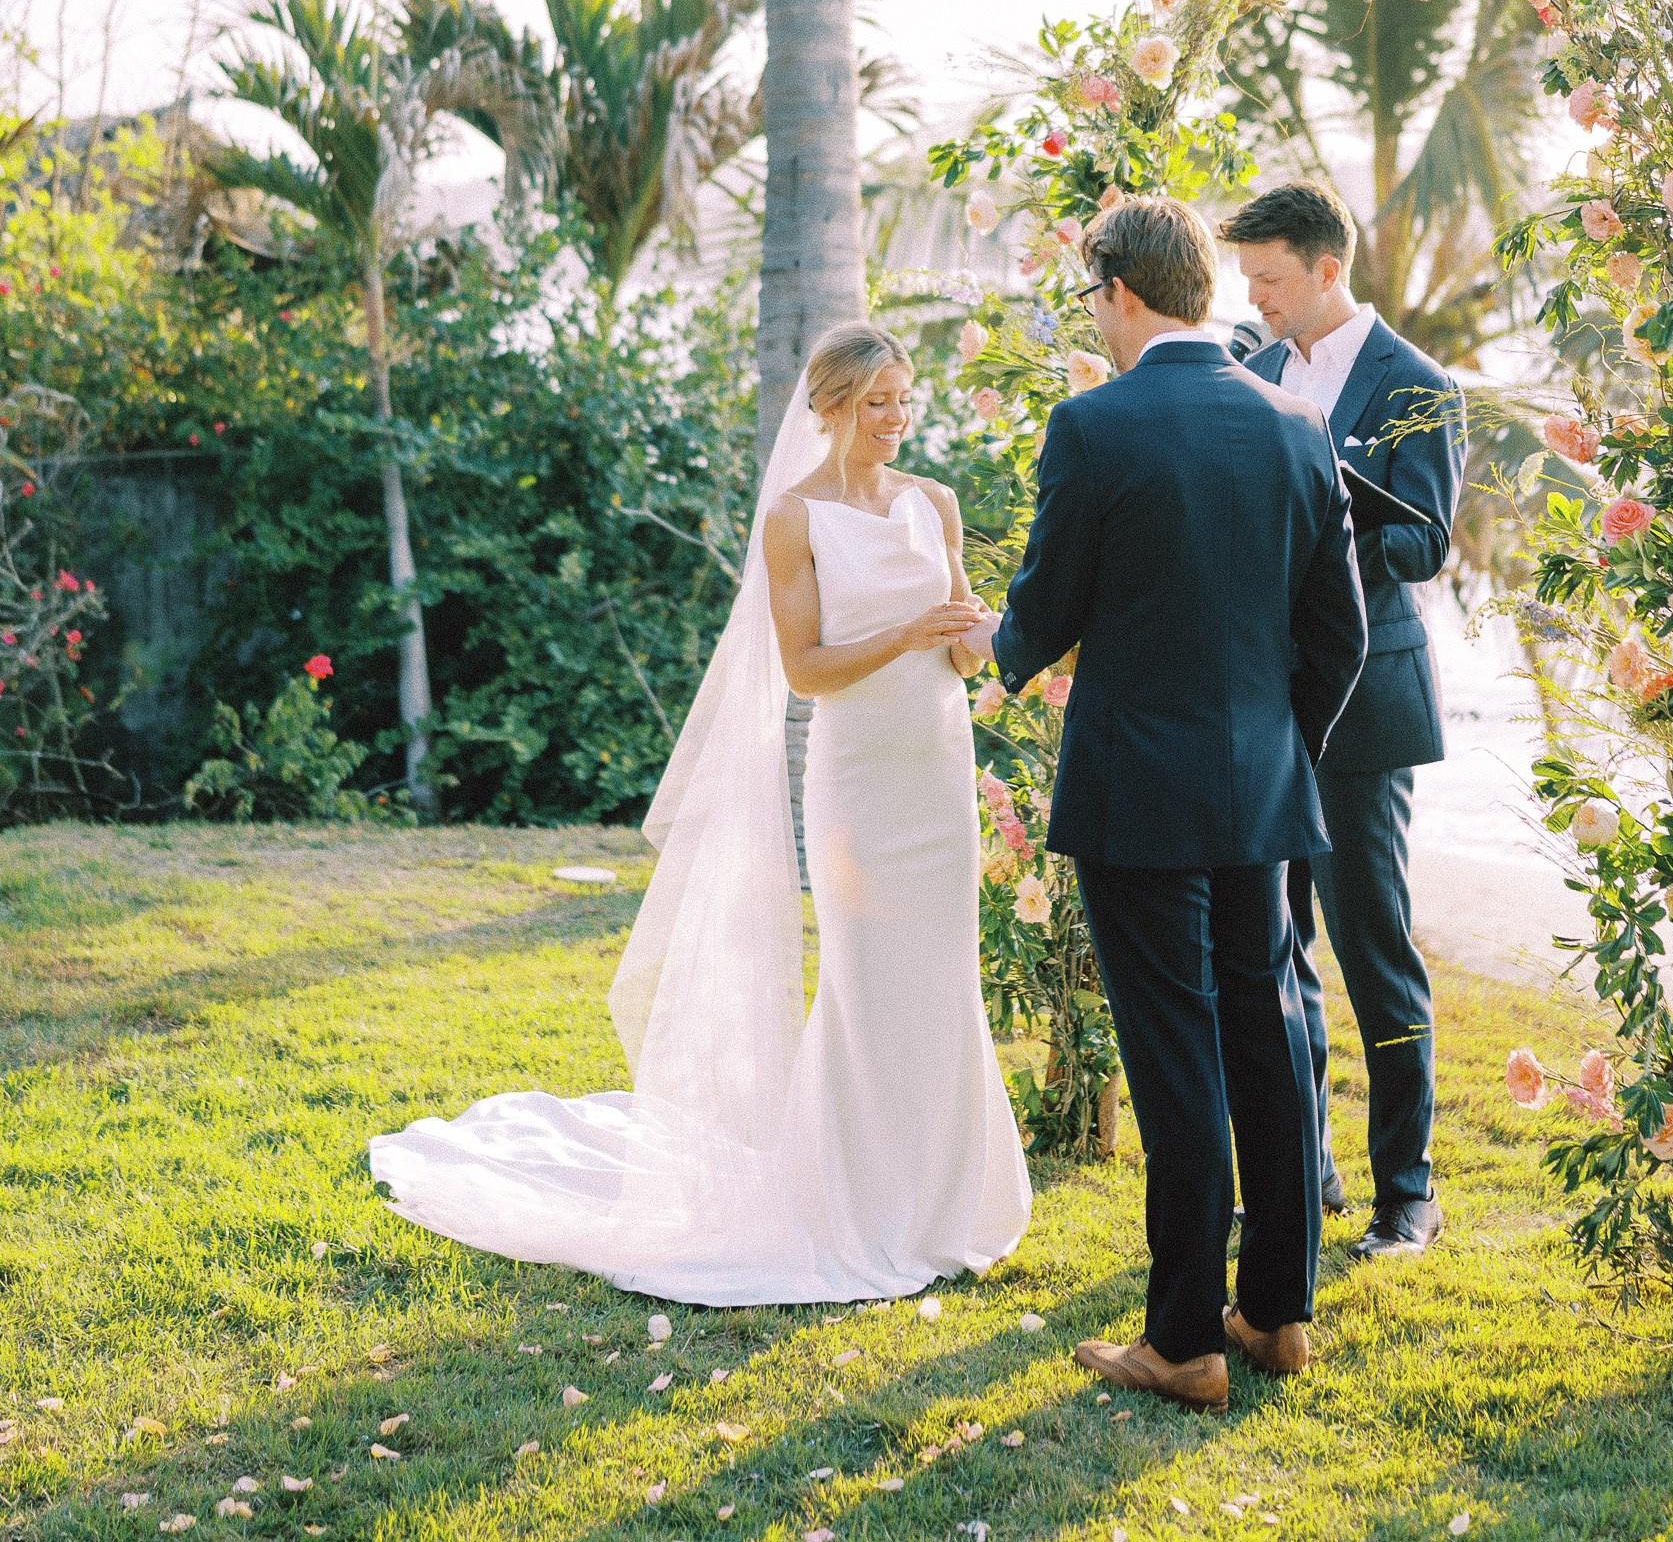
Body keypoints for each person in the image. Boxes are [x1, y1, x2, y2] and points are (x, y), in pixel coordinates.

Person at [369, 323, 1031, 1302]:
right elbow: (806, 671)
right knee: (866, 984)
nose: (894, 420)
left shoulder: (934, 502)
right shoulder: (795, 519)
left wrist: (996, 636)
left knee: (939, 979)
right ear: (830, 409)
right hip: (858, 785)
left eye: (903, 400)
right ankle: (858, 1202)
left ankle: (945, 1203)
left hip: (936, 773)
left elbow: (962, 649)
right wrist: (902, 634)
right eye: (875, 403)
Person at [959, 195, 1369, 1408]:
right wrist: (1280, 748)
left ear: (1120, 293)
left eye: (1092, 297)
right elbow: (1338, 637)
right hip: (1262, 790)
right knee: (1270, 1033)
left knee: (1175, 1050)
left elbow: (1045, 607)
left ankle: (1183, 1341)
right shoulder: (1297, 423)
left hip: (1137, 789)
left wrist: (994, 644)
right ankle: (1278, 1315)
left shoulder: (1093, 425)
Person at [1221, 182, 1465, 1260]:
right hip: (1264, 700)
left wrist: (1329, 521)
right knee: (1274, 950)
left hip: (1366, 705)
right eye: (1247, 280)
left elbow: (1426, 543)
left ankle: (1407, 1193)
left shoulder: (1417, 383)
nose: (1255, 299)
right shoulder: (1255, 372)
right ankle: (1302, 1171)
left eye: (1269, 278)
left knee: (1374, 953)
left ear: (1327, 270)